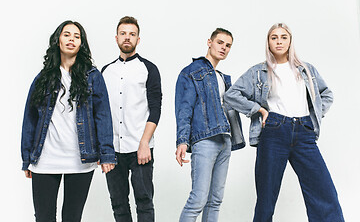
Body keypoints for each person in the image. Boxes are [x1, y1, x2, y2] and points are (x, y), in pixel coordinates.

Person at [224, 23, 344, 222]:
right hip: (273, 131)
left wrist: (314, 114)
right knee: (266, 198)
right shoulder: (258, 72)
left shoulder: (306, 69)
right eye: (274, 37)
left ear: (290, 41)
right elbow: (231, 95)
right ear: (268, 42)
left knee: (324, 192)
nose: (279, 41)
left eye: (283, 37)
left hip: (304, 132)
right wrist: (258, 110)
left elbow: (326, 94)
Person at [21, 20, 116, 222]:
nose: (71, 39)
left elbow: (103, 115)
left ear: (81, 43)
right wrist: (27, 158)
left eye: (76, 36)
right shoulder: (43, 78)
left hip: (80, 159)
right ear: (58, 40)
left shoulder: (93, 76)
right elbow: (30, 118)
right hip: (45, 159)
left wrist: (107, 153)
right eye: (67, 35)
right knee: (43, 217)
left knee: (72, 218)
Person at [175, 28, 245, 222]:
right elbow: (184, 108)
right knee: (198, 199)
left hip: (225, 140)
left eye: (228, 45)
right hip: (204, 140)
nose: (224, 48)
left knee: (215, 201)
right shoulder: (193, 71)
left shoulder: (222, 77)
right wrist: (182, 141)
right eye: (220, 42)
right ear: (209, 42)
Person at [102, 16, 162, 222]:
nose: (127, 37)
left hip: (140, 147)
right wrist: (104, 150)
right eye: (123, 33)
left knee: (144, 202)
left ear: (138, 39)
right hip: (113, 150)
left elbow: (155, 108)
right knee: (118, 204)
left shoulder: (149, 69)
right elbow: (100, 113)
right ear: (116, 37)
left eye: (132, 34)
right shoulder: (105, 71)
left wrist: (145, 142)